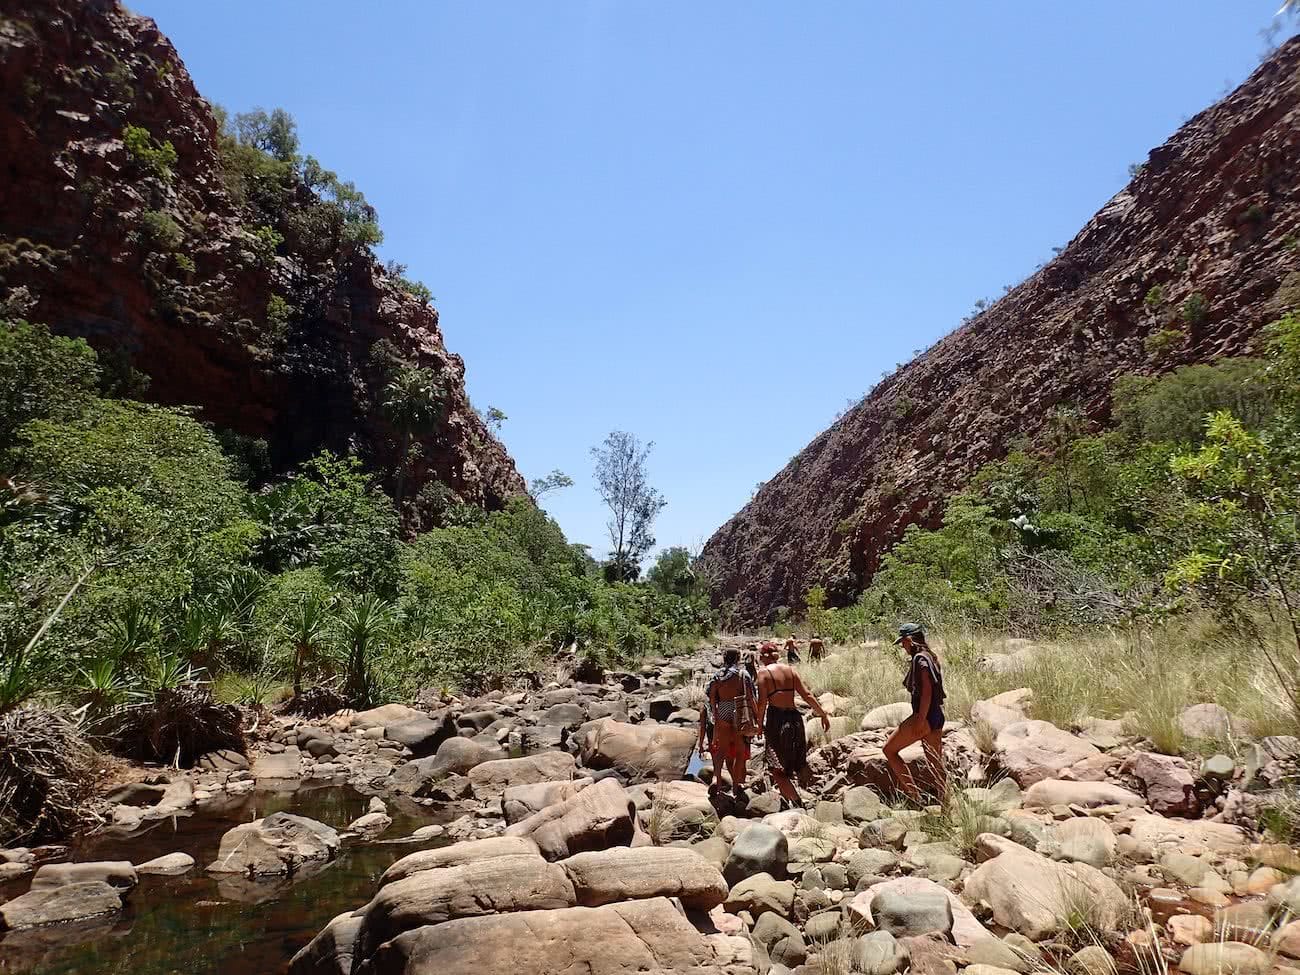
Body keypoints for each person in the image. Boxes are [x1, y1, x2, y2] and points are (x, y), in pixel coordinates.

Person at [756, 641, 830, 808]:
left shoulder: (763, 673)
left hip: (777, 720)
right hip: (795, 719)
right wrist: (822, 714)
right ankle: (788, 800)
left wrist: (759, 725)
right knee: (792, 762)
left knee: (775, 767)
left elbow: (762, 703)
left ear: (764, 657)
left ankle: (797, 802)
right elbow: (807, 695)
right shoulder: (790, 670)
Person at [882, 622, 947, 803]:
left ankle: (915, 797)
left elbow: (926, 692)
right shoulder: (931, 656)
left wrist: (920, 720)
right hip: (936, 716)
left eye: (903, 642)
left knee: (889, 750)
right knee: (935, 764)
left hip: (924, 717)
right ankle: (947, 804)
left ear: (910, 640)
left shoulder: (920, 659)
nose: (903, 646)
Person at [699, 647, 759, 799]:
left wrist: (715, 715)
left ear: (724, 658)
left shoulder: (717, 675)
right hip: (739, 710)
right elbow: (751, 697)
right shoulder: (742, 674)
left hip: (723, 710)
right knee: (739, 752)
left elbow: (711, 697)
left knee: (721, 751)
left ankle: (717, 782)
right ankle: (735, 785)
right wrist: (757, 717)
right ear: (738, 658)